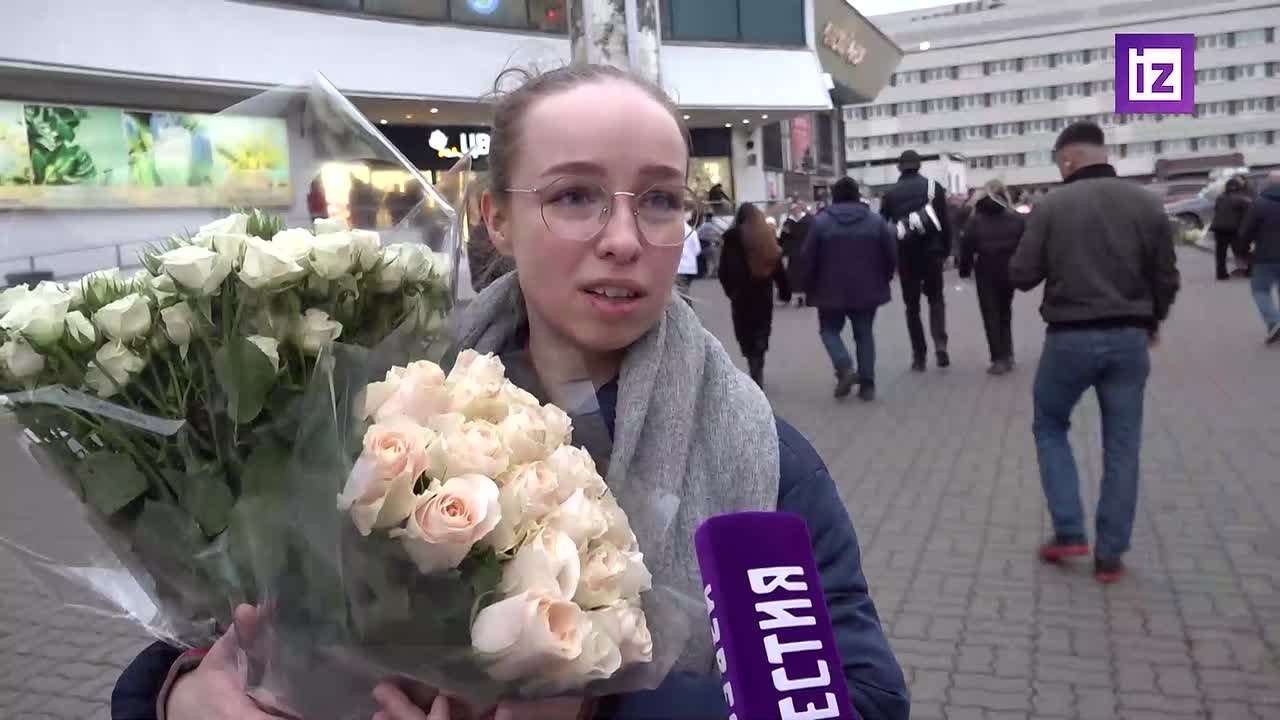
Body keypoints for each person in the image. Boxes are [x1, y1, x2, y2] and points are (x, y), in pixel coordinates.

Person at [112, 63, 909, 720]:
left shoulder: (757, 461)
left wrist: (599, 705)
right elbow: (231, 619)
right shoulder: (371, 412)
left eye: (661, 200)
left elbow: (860, 702)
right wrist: (178, 692)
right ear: (495, 217)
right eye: (574, 196)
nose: (624, 239)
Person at [1010, 121, 1180, 584]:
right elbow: (1166, 275)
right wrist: (1152, 322)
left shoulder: (1052, 206)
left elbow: (1022, 274)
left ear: (1069, 159)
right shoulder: (1146, 204)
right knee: (1123, 444)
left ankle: (1069, 531)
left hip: (1069, 337)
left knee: (1050, 425)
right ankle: (1110, 555)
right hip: (1129, 338)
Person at [798, 177, 896, 401]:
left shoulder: (821, 223)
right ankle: (867, 385)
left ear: (834, 196)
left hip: (829, 290)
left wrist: (807, 284)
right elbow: (890, 254)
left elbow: (808, 256)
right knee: (864, 334)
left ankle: (844, 367)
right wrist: (885, 276)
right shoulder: (875, 221)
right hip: (868, 288)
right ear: (857, 195)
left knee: (829, 331)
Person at [879, 149, 952, 372]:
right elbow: (944, 222)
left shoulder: (890, 194)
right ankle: (940, 345)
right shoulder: (933, 188)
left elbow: (884, 227)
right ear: (919, 166)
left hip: (906, 255)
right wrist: (946, 250)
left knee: (912, 307)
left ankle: (919, 356)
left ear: (899, 168)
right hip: (932, 253)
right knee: (936, 299)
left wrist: (887, 259)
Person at [958, 179, 1025, 375]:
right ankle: (1009, 353)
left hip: (985, 271)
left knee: (990, 314)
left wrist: (964, 271)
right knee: (1005, 311)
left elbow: (966, 248)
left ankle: (998, 359)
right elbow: (1025, 245)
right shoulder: (1016, 219)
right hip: (1009, 271)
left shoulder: (975, 220)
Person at [718, 203, 780, 386]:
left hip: (741, 295)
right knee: (761, 330)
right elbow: (776, 263)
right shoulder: (766, 236)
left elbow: (723, 270)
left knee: (745, 332)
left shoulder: (732, 239)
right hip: (763, 294)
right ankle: (757, 365)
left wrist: (730, 291)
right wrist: (784, 290)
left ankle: (754, 365)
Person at [1239, 170, 1280, 344]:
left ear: (1267, 184)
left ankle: (1274, 321)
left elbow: (1246, 232)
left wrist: (1243, 253)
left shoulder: (1259, 204)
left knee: (1260, 290)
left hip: (1265, 257)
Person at [1211, 176, 1253, 280]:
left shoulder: (1220, 198)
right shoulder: (1244, 200)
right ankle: (1249, 271)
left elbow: (1216, 210)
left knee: (1221, 253)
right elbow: (1247, 216)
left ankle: (1221, 274)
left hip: (1219, 228)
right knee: (1241, 250)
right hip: (1234, 229)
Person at [780, 201, 814, 307]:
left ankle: (808, 297)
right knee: (794, 277)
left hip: (806, 252)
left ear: (800, 209)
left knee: (806, 274)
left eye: (796, 209)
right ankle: (798, 297)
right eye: (792, 210)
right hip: (793, 253)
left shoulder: (809, 220)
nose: (794, 211)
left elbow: (813, 235)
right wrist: (784, 251)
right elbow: (783, 237)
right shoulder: (788, 223)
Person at [675, 218, 700, 305]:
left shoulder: (673, 233)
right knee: (684, 288)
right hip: (691, 268)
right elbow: (697, 250)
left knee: (682, 291)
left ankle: (687, 308)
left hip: (680, 267)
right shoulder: (693, 232)